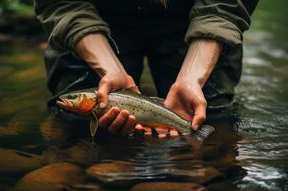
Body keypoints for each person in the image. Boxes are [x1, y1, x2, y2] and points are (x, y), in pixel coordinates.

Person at [34, 0, 258, 137]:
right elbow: (62, 3)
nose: (72, 99)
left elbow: (226, 5)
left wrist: (191, 79)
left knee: (213, 119)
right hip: (95, 14)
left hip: (194, 16)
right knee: (76, 127)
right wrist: (109, 69)